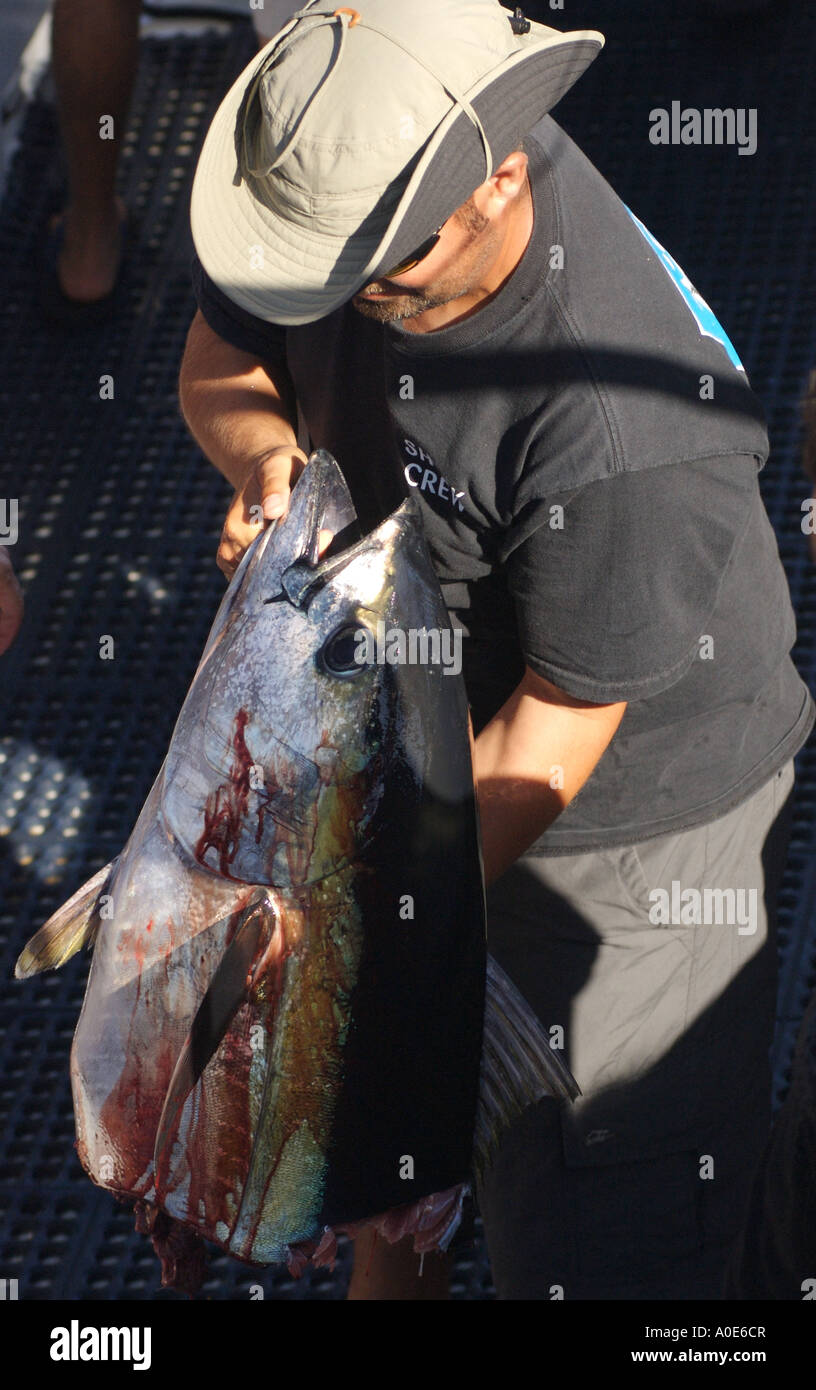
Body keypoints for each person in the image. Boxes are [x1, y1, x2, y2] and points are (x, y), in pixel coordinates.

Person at [178, 1, 814, 1299]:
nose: (348, 301)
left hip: (621, 829)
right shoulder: (352, 175)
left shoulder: (628, 438)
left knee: (589, 1240)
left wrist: (346, 913)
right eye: (323, 278)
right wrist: (268, 463)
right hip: (418, 731)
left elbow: (551, 738)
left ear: (500, 180)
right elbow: (218, 359)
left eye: (379, 282)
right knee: (384, 1158)